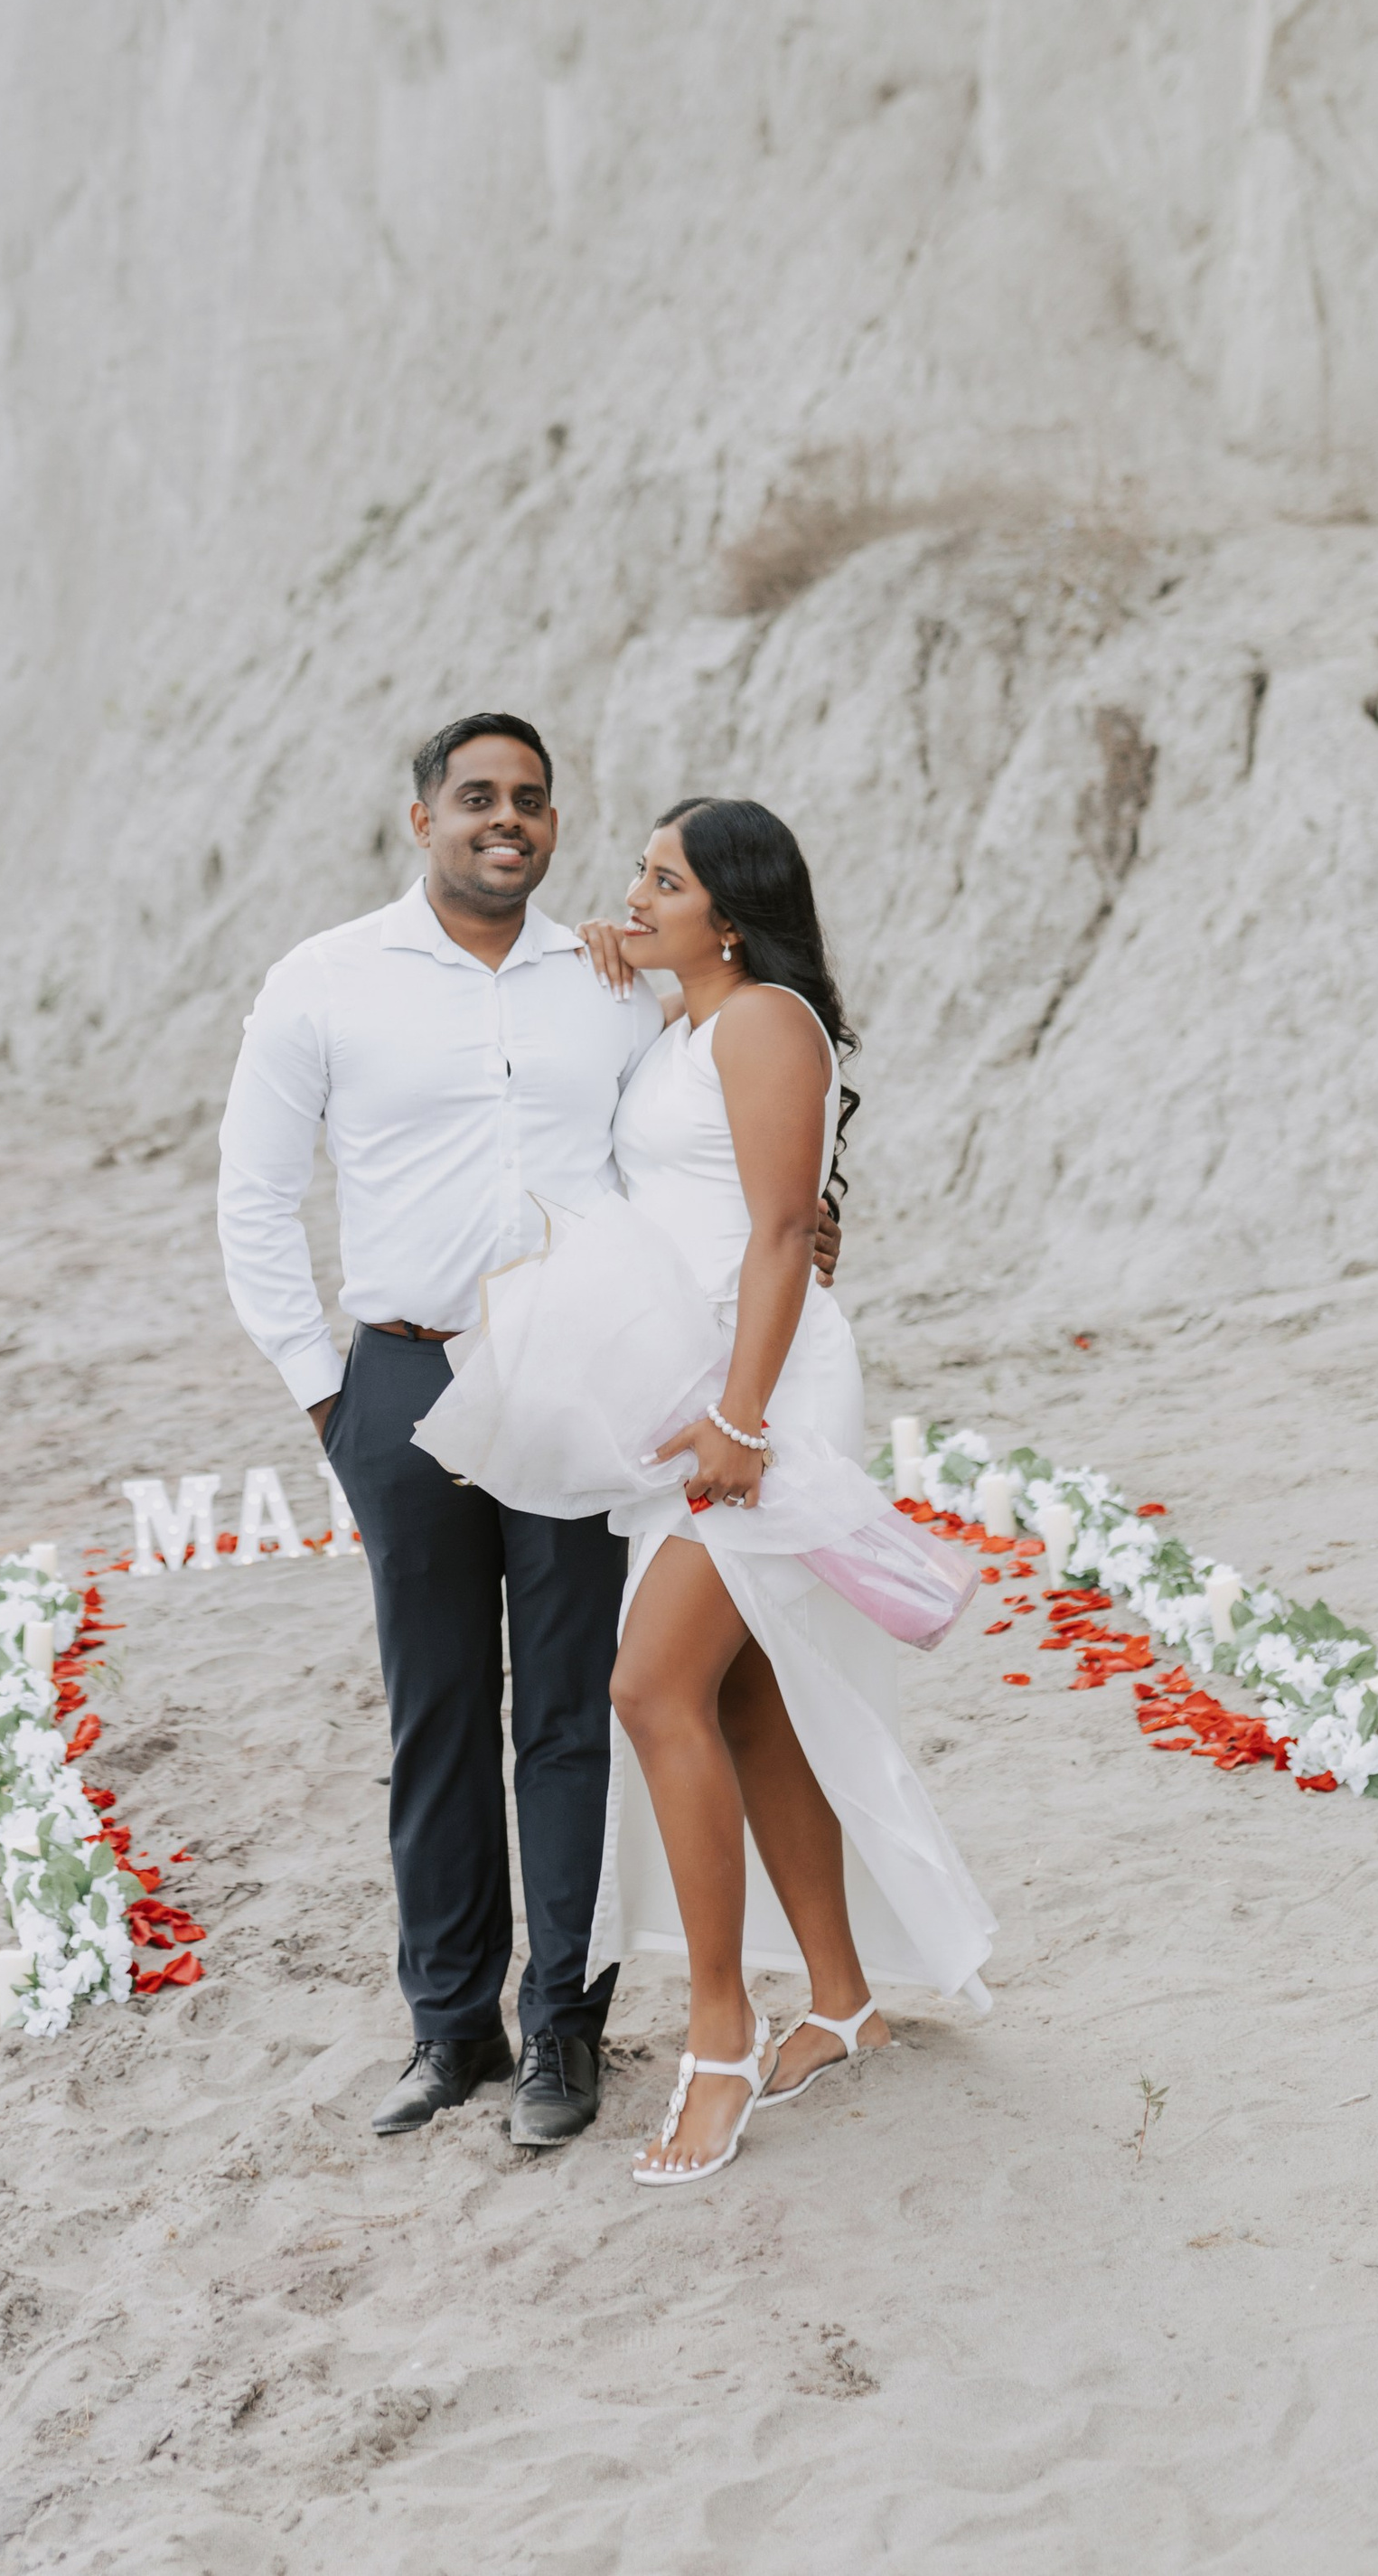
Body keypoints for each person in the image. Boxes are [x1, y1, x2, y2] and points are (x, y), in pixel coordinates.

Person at [216, 718, 840, 2148]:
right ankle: (450, 2031)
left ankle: (564, 2025)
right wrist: (327, 1395)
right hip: (404, 1382)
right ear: (421, 816)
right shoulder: (325, 980)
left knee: (571, 1713)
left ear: (554, 827)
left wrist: (808, 1224)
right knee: (435, 1715)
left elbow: (729, 1131)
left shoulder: (610, 978)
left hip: (574, 1388)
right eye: (478, 798)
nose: (509, 820)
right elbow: (254, 1201)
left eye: (533, 802)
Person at [494, 798, 993, 2185]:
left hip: (759, 1400)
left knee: (650, 1688)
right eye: (637, 873)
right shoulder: (685, 1022)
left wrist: (742, 1416)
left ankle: (721, 2032)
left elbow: (783, 1230)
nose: (636, 894)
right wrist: (608, 949)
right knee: (747, 1698)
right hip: (696, 1398)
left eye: (667, 881)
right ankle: (842, 2001)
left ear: (733, 913)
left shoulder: (767, 1019)